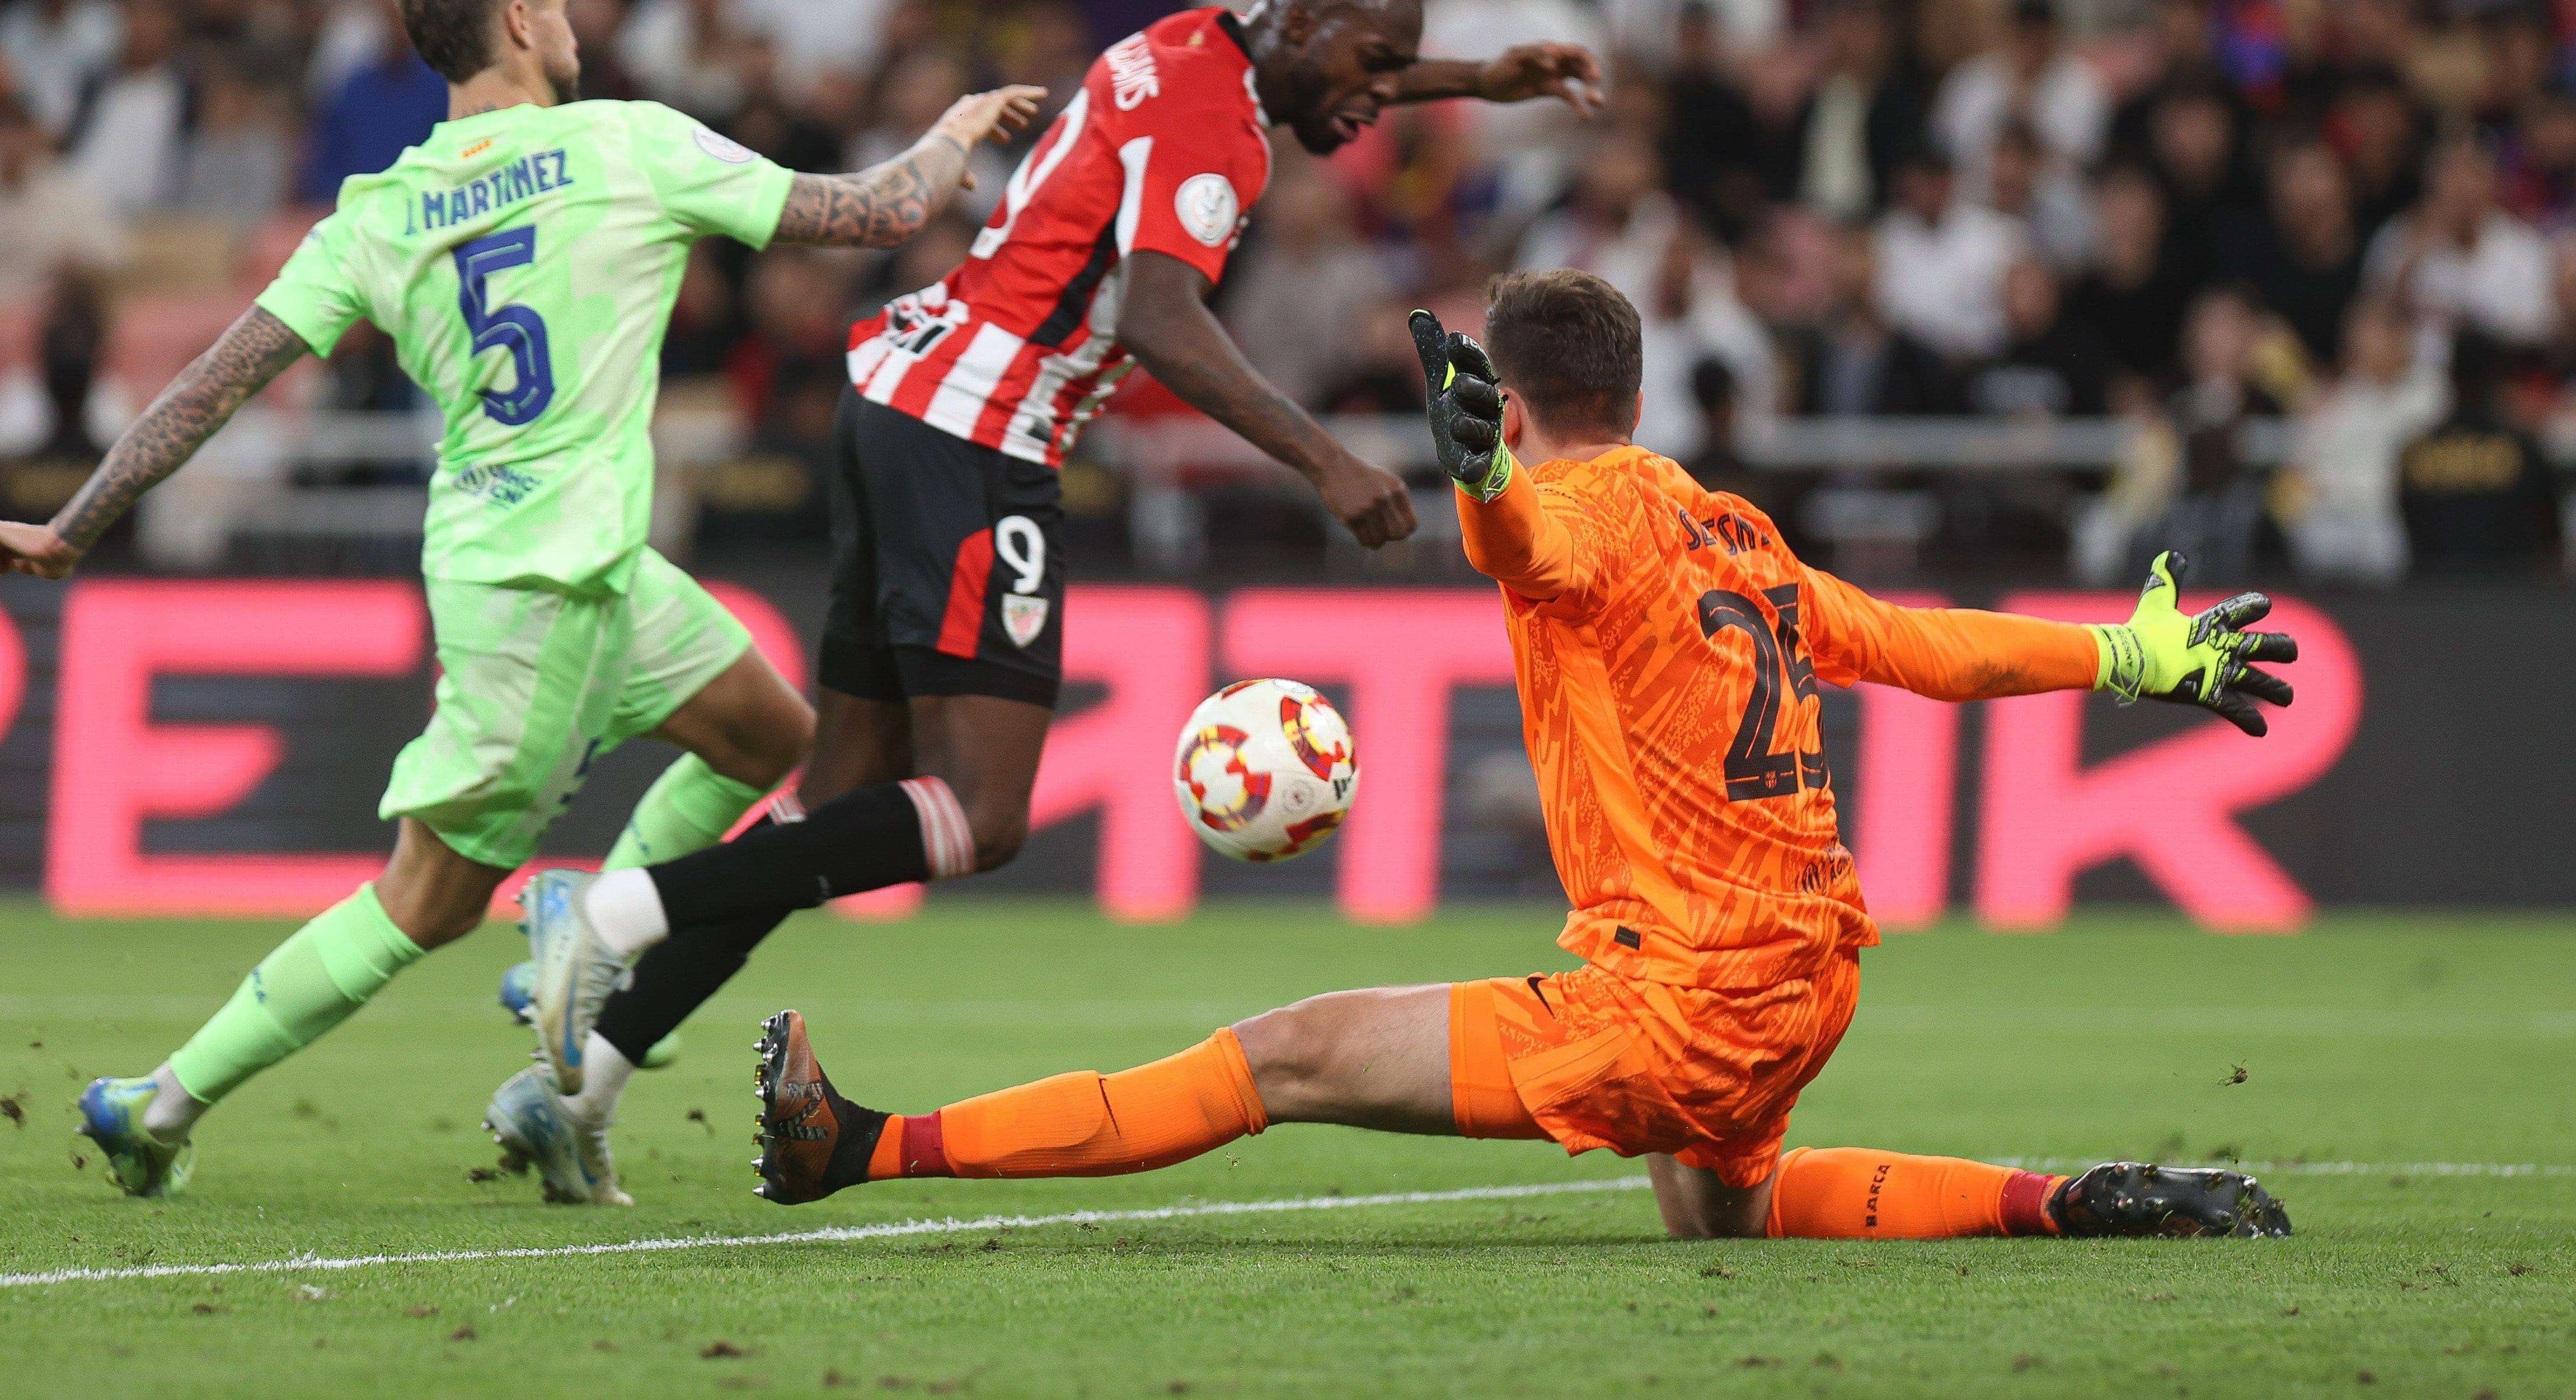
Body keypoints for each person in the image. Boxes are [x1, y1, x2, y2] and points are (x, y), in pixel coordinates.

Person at [742, 270, 2299, 1246]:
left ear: (1522, 397)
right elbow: (1920, 643)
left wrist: (1478, 469)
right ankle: (2065, 1200)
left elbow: (1523, 539)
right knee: (1716, 1209)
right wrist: (2127, 653)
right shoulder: (1730, 528)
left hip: (1682, 994)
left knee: (1280, 1055)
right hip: (1808, 982)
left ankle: (862, 1147)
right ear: (1630, 394)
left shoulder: (1577, 520)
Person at [507, 0, 1605, 1185]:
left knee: (834, 811)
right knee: (981, 819)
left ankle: (580, 1089)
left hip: (904, 390)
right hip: (982, 432)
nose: (1377, 93)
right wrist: (1328, 460)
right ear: (1302, 26)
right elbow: (1157, 316)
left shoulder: (1194, 43)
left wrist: (1473, 79)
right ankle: (608, 914)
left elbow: (1325, 70)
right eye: (1373, 61)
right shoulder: (1216, 126)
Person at [0, 0, 1042, 1203]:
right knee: (425, 899)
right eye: (568, 5)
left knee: (771, 738)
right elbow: (880, 211)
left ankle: (584, 946)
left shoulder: (380, 210)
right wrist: (956, 125)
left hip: (559, 563)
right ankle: (165, 1099)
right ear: (522, 23)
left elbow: (213, 381)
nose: (582, 28)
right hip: (545, 589)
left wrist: (77, 521)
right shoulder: (627, 143)